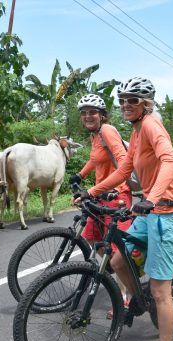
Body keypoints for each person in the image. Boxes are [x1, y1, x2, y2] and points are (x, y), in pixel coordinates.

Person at [74, 77, 173, 341]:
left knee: (162, 291)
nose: (125, 105)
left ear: (146, 104)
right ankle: (137, 297)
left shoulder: (151, 125)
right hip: (149, 212)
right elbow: (125, 169)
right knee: (117, 258)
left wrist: (151, 197)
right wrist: (92, 192)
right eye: (123, 99)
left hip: (166, 213)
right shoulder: (136, 131)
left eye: (132, 100)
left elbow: (170, 160)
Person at [69, 93, 133, 318]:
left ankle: (126, 298)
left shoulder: (107, 130)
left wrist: (101, 190)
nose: (88, 116)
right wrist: (80, 174)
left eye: (92, 112)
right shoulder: (95, 136)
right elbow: (95, 160)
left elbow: (124, 161)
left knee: (117, 254)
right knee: (92, 239)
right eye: (84, 113)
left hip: (117, 196)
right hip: (100, 196)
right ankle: (111, 274)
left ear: (102, 115)